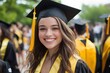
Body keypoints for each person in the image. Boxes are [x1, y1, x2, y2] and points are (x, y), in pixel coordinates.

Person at [26, 0, 91, 73]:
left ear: (64, 31)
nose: (48, 34)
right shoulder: (37, 59)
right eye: (42, 28)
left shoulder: (76, 65)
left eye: (55, 28)